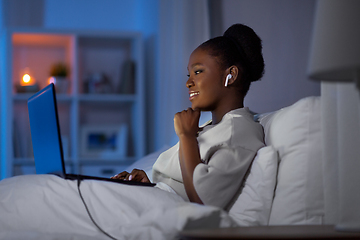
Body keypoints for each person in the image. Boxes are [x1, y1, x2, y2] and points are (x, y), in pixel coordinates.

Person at [112, 23, 265, 210]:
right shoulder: (211, 126)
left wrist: (186, 136)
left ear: (230, 75)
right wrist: (148, 182)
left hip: (164, 209)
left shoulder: (240, 130)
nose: (188, 83)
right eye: (189, 74)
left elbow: (203, 201)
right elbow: (179, 183)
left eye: (198, 71)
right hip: (153, 199)